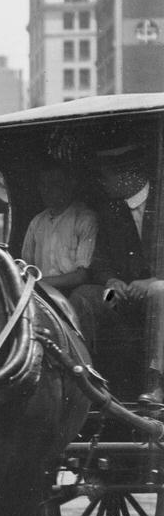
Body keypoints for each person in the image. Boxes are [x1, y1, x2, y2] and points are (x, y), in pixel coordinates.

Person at [75, 150, 164, 405]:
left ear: (128, 176)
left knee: (159, 291)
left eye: (106, 176)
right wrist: (111, 281)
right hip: (123, 295)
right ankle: (87, 382)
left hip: (157, 291)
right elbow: (100, 261)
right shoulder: (112, 209)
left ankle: (156, 381)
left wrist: (152, 281)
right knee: (87, 297)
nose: (102, 183)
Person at [19, 165, 98, 296]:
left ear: (69, 185)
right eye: (43, 185)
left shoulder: (84, 218)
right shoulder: (36, 222)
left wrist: (39, 283)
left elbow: (82, 275)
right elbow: (27, 266)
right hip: (41, 293)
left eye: (54, 184)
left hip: (72, 293)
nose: (46, 190)